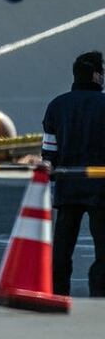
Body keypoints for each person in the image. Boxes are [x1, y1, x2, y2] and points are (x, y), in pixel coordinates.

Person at [42, 50, 105, 297]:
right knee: (103, 248)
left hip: (67, 186)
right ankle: (99, 294)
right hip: (101, 189)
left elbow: (49, 151)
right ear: (96, 76)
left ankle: (58, 292)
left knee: (63, 246)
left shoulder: (57, 105)